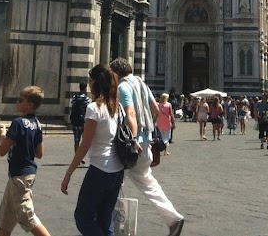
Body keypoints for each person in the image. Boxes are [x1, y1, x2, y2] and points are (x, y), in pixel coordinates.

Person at [110, 58, 184, 236]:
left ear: (116, 73)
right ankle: (173, 218)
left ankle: (106, 227)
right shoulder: (142, 84)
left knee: (111, 181)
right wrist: (148, 131)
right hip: (146, 142)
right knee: (148, 183)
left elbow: (130, 112)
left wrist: (133, 139)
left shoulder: (123, 86)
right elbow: (155, 110)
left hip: (132, 144)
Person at [61, 65, 123, 235]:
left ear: (94, 82)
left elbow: (85, 145)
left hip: (100, 169)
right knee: (105, 217)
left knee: (83, 217)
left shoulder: (94, 108)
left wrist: (69, 173)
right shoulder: (117, 107)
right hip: (117, 170)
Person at [0, 85, 52, 236]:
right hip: (26, 173)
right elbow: (39, 153)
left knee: (27, 217)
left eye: (20, 100)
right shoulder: (37, 124)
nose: (17, 102)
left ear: (30, 105)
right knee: (6, 219)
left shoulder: (18, 123)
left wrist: (2, 135)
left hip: (19, 175)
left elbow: (2, 151)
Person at [70, 81, 90, 162]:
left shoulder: (74, 97)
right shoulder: (87, 99)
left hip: (75, 121)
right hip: (83, 123)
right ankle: (81, 157)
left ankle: (77, 158)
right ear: (85, 88)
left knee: (76, 140)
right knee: (84, 141)